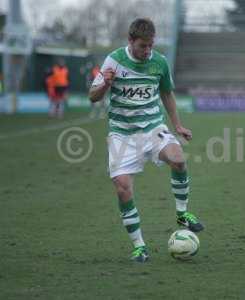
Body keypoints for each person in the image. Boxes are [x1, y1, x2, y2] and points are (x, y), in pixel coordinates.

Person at [88, 18, 204, 263]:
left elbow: (166, 93)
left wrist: (178, 125)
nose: (147, 51)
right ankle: (139, 246)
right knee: (122, 188)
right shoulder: (114, 60)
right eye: (143, 46)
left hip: (153, 127)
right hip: (122, 134)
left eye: (150, 45)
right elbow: (93, 96)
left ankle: (182, 214)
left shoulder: (159, 62)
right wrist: (105, 85)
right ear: (130, 41)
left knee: (179, 160)